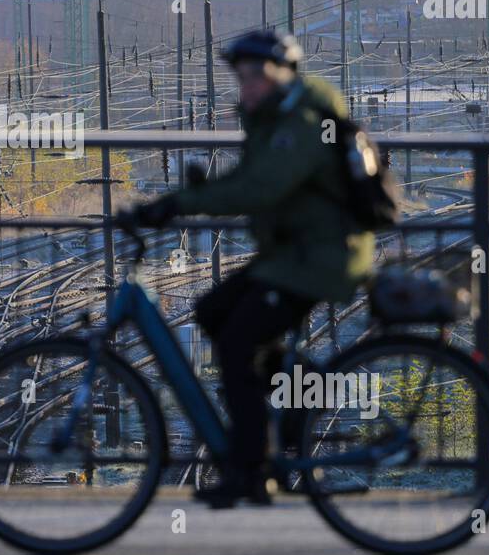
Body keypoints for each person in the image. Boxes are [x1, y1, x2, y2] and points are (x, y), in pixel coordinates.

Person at [127, 29, 375, 508]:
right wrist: (185, 199)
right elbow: (249, 179)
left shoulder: (300, 120)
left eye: (258, 76)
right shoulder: (276, 116)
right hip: (295, 252)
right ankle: (310, 392)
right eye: (242, 78)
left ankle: (251, 467)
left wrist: (179, 203)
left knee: (239, 342)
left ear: (285, 75)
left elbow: (261, 188)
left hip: (321, 256)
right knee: (212, 312)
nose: (249, 87)